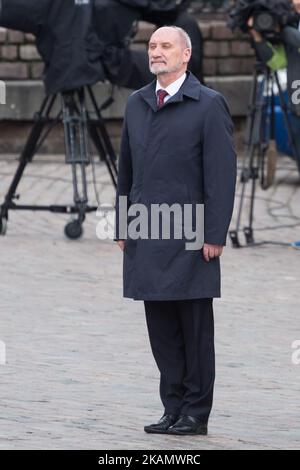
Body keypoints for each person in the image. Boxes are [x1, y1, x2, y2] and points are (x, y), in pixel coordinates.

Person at [114, 26, 237, 436]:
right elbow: (125, 172)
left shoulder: (208, 105)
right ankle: (172, 408)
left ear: (186, 54)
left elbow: (221, 176)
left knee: (194, 329)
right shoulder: (136, 103)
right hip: (147, 231)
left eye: (166, 46)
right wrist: (122, 223)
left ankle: (196, 412)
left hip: (192, 234)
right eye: (152, 46)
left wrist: (215, 233)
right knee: (161, 329)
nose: (156, 52)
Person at [248, 0, 300, 174]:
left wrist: (283, 30)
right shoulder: (290, 23)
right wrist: (258, 37)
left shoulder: (288, 28)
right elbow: (277, 62)